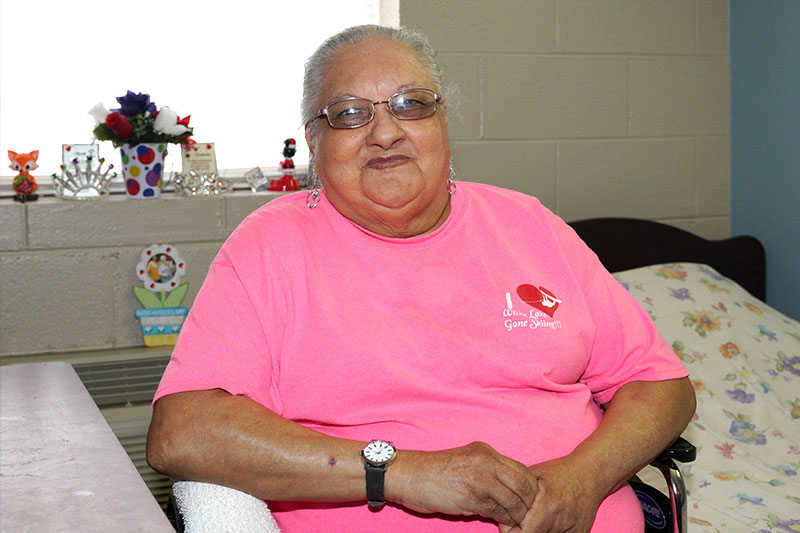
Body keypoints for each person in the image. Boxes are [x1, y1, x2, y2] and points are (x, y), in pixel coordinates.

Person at [147, 24, 695, 533]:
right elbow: (183, 431)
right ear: (314, 142)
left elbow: (661, 384)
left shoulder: (530, 225)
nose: (385, 132)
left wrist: (584, 480)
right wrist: (398, 474)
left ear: (443, 121)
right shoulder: (271, 247)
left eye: (411, 104)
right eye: (349, 113)